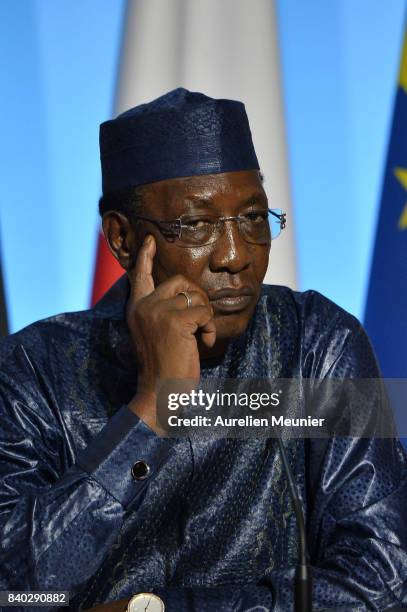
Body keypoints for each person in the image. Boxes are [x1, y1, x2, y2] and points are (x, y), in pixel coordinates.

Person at [0, 88, 406, 612]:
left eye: (254, 218)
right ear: (123, 239)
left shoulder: (317, 343)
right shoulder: (34, 372)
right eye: (196, 225)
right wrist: (149, 413)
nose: (236, 256)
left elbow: (385, 578)